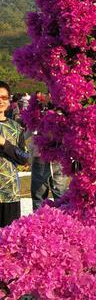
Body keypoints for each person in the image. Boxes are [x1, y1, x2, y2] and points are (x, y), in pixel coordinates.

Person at [0, 80, 29, 227]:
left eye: (4, 98)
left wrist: (4, 143)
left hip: (10, 194)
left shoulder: (15, 128)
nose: (0, 101)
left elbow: (24, 158)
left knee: (8, 242)